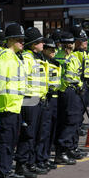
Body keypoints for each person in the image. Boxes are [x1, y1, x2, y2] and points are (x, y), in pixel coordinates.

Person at [0, 23, 27, 178]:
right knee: (5, 142)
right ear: (11, 40)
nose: (23, 42)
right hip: (6, 107)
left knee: (10, 142)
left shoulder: (14, 57)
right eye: (20, 39)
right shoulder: (5, 57)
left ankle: (5, 170)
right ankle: (3, 173)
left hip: (14, 106)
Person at [15, 27, 48, 178]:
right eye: (40, 41)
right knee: (28, 134)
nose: (43, 44)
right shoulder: (26, 59)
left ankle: (31, 162)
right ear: (33, 44)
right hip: (29, 100)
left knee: (36, 134)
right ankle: (22, 164)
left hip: (38, 99)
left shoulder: (36, 58)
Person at [54, 31, 82, 165]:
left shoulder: (69, 56)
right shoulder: (63, 57)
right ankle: (62, 152)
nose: (70, 46)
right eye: (68, 43)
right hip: (67, 91)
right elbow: (67, 77)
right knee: (70, 121)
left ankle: (67, 148)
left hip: (70, 91)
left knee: (70, 121)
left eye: (71, 43)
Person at [38, 36, 61, 170]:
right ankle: (40, 158)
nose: (53, 51)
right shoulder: (43, 62)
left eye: (54, 49)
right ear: (44, 50)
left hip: (54, 98)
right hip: (46, 98)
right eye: (50, 49)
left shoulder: (54, 62)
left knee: (51, 130)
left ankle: (46, 157)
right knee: (43, 131)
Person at [72, 26, 89, 136]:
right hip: (77, 87)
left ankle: (78, 127)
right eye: (83, 40)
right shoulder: (75, 54)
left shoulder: (85, 53)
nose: (86, 42)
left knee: (82, 110)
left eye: (86, 39)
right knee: (76, 111)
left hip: (85, 85)